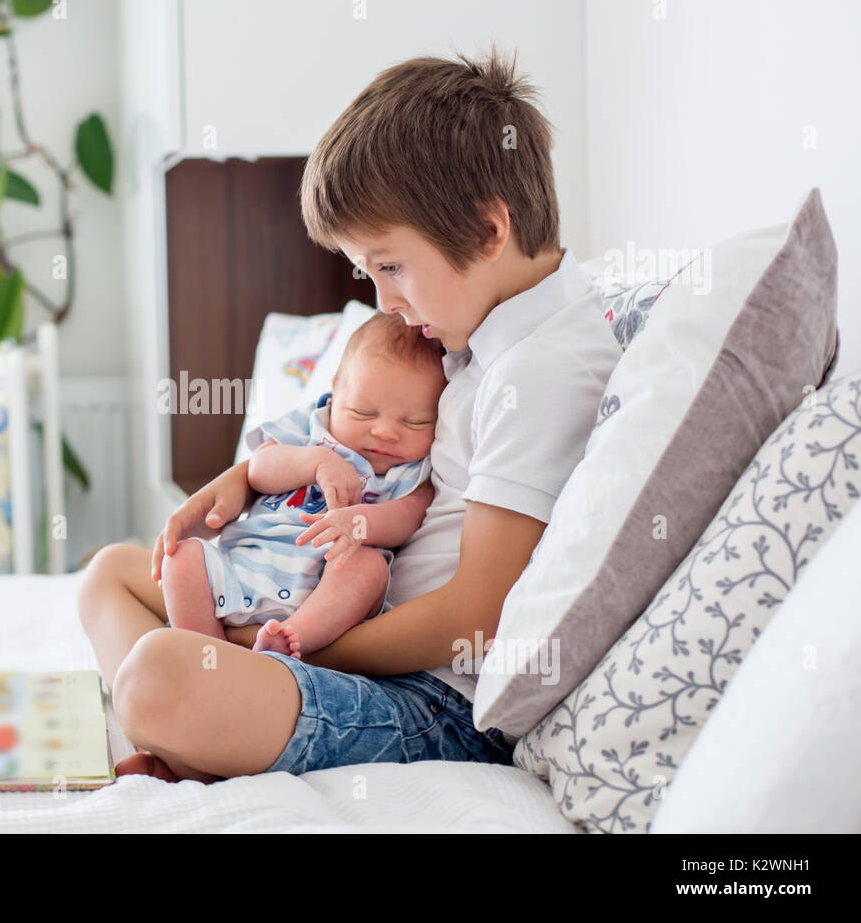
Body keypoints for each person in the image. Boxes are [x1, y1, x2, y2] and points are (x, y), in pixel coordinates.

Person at [78, 45, 623, 782]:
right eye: (369, 274)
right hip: (333, 617)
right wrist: (241, 480)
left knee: (158, 677)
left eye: (391, 267)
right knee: (109, 573)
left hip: (425, 697)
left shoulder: (543, 367)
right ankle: (190, 738)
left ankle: (189, 731)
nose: (385, 304)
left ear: (490, 231)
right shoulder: (473, 326)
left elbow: (476, 615)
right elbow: (331, 435)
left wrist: (293, 647)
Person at [164, 312, 445, 659]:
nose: (385, 432)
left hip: (323, 589)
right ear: (334, 391)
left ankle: (291, 639)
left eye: (415, 422)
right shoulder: (312, 426)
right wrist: (315, 462)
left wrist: (358, 524)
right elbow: (259, 469)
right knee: (181, 558)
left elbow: (408, 517)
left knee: (368, 568)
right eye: (362, 412)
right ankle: (208, 656)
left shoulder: (410, 470)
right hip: (244, 567)